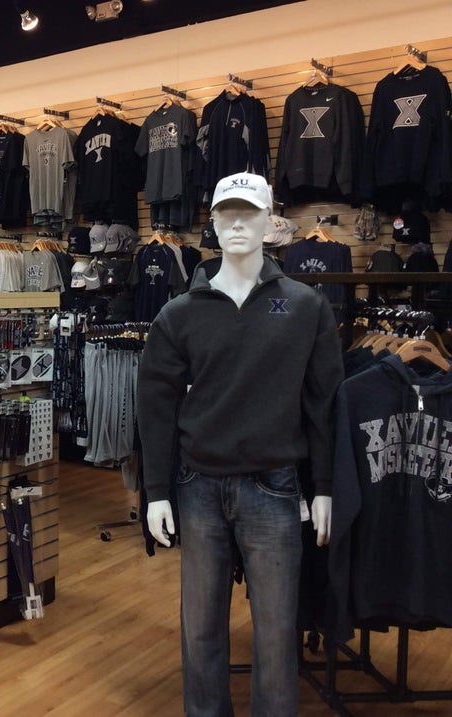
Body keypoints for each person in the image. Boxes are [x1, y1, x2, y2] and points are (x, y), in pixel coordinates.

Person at [137, 171, 344, 716]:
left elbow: (323, 403)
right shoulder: (179, 313)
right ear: (211, 220)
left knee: (276, 633)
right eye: (226, 212)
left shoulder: (305, 306)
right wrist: (156, 491)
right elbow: (155, 406)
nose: (236, 223)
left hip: (274, 488)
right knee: (200, 628)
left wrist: (324, 486)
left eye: (248, 212)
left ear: (270, 222)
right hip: (197, 486)